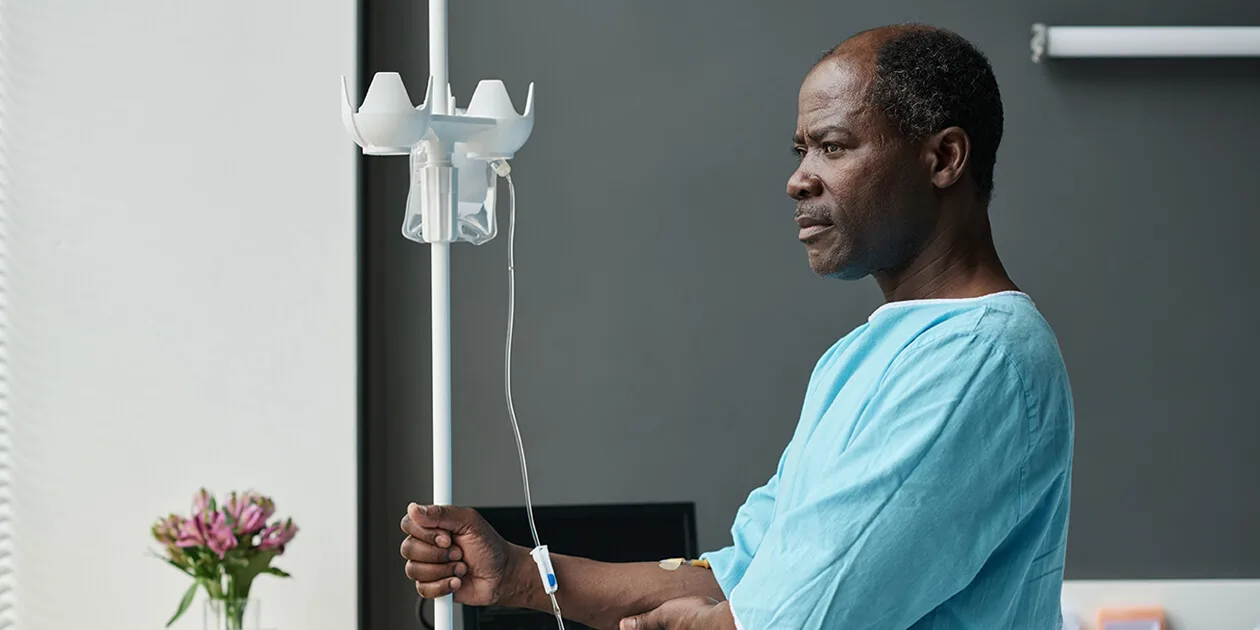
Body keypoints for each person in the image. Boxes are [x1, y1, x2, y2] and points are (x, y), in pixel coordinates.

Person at [400, 24, 1074, 630]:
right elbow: (745, 572)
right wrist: (520, 573)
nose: (798, 180)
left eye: (833, 147)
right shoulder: (868, 356)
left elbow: (799, 614)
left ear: (943, 159)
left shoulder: (981, 358)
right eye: (800, 150)